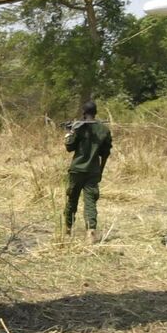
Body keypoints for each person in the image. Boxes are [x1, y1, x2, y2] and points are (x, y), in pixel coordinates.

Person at [62, 101, 112, 242]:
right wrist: (100, 170)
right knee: (90, 202)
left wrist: (68, 133)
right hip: (93, 171)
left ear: (83, 113)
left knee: (72, 199)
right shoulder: (104, 130)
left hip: (77, 170)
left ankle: (67, 230)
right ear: (95, 112)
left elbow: (69, 147)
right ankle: (90, 232)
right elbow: (106, 153)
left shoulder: (78, 128)